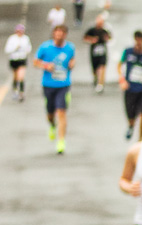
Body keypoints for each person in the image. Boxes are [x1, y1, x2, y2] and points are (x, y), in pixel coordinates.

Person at [33, 24, 75, 154]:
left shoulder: (70, 48)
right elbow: (35, 62)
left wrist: (72, 64)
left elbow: (72, 60)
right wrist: (46, 65)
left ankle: (61, 141)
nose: (59, 36)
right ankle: (52, 125)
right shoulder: (45, 47)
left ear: (65, 35)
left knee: (61, 112)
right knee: (50, 114)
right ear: (53, 34)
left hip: (63, 85)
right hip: (48, 84)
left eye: (61, 33)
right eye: (57, 33)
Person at [118, 30, 142, 141]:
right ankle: (131, 125)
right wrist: (122, 80)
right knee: (131, 115)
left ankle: (140, 140)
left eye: (141, 40)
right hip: (130, 87)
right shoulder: (128, 52)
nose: (139, 42)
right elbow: (119, 64)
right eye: (137, 39)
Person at [82, 15, 112, 93]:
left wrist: (106, 38)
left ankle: (100, 84)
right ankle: (95, 79)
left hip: (102, 52)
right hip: (94, 52)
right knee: (95, 69)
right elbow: (84, 38)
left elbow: (109, 38)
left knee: (102, 67)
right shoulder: (91, 30)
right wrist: (92, 40)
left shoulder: (104, 31)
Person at [4, 24, 31, 102]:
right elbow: (7, 50)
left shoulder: (26, 39)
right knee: (15, 77)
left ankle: (21, 93)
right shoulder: (12, 39)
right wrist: (15, 48)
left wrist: (24, 50)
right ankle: (15, 90)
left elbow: (29, 49)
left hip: (22, 59)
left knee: (21, 76)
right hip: (14, 59)